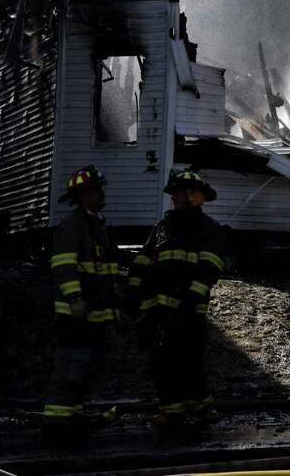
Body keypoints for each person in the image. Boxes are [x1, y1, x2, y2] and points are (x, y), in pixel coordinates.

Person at [125, 168, 227, 429]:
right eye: (173, 193)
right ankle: (172, 411)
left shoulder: (208, 229)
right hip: (156, 311)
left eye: (179, 192)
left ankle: (203, 408)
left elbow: (210, 267)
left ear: (195, 196)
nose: (173, 197)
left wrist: (191, 297)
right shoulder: (162, 227)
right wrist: (132, 291)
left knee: (189, 361)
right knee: (160, 363)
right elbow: (142, 260)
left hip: (188, 311)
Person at [44, 165, 121, 434]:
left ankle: (73, 414)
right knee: (70, 367)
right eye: (95, 190)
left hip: (95, 315)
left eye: (100, 189)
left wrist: (114, 306)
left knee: (88, 367)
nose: (101, 194)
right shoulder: (73, 226)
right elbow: (64, 266)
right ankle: (57, 420)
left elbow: (105, 273)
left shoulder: (97, 225)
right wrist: (75, 298)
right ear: (82, 196)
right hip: (74, 315)